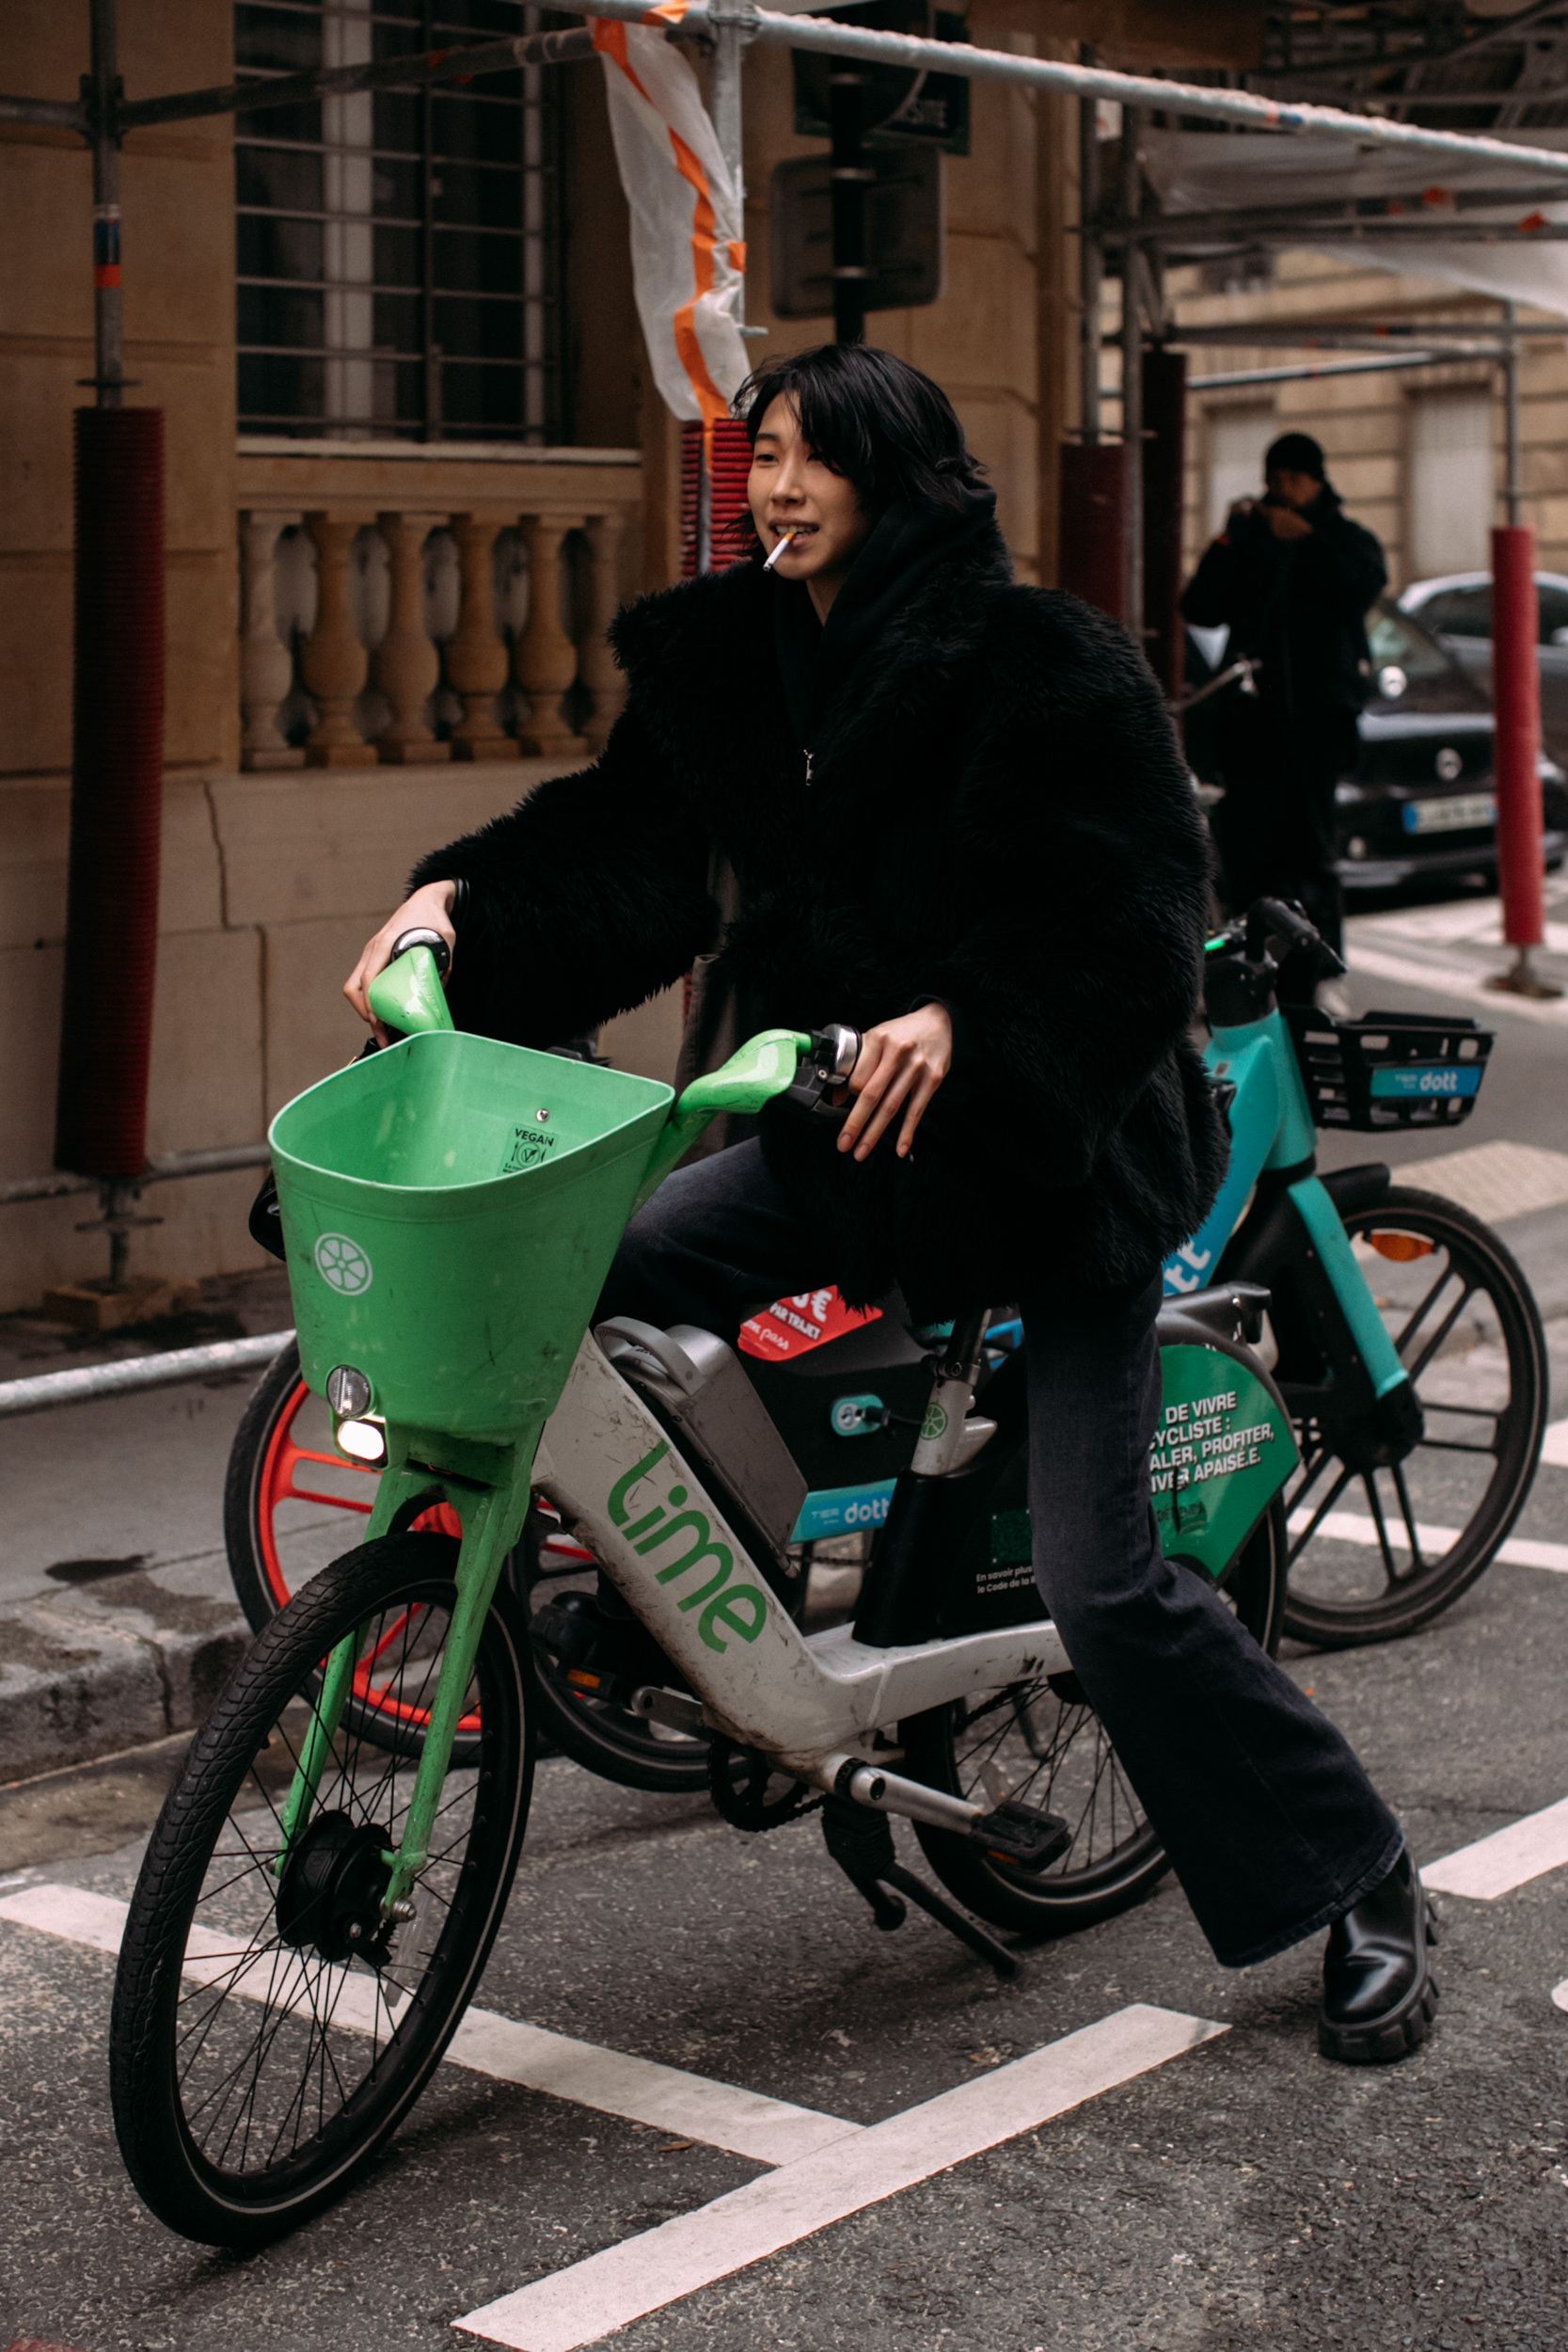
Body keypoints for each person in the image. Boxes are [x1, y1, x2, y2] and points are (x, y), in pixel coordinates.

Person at [346, 346, 1433, 2063]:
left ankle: (1358, 1876)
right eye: (759, 458)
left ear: (897, 475)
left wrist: (969, 1020)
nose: (772, 489)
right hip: (839, 1141)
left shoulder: (1041, 659)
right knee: (585, 1288)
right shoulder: (725, 663)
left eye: (806, 460)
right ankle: (702, 1630)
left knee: (1104, 1583)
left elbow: (1140, 909)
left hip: (1049, 1160)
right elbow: (621, 854)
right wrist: (457, 907)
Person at [1180, 429, 1387, 962]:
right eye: (1275, 479)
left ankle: (1318, 962)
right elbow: (1200, 605)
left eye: (1294, 478)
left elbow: (1358, 590)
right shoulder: (1252, 538)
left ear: (1317, 482)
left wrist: (1308, 542)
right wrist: (1229, 541)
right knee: (1249, 851)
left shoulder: (1344, 538)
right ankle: (1254, 961)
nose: (1283, 488)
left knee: (1311, 850)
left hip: (1317, 723)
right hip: (1253, 724)